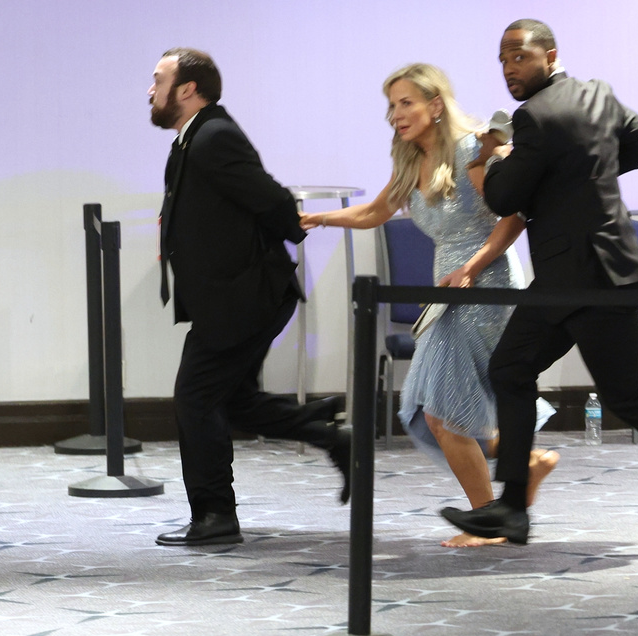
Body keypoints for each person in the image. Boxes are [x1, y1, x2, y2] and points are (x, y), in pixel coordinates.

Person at [441, 20, 638, 551]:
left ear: (550, 55)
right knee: (511, 368)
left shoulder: (533, 118)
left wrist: (490, 155)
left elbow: (500, 197)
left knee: (627, 395)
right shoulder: (597, 95)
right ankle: (513, 508)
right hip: (576, 275)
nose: (509, 69)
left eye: (519, 56)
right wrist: (584, 178)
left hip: (594, 278)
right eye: (502, 59)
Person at [301, 63, 558, 547]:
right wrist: (322, 218)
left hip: (483, 286)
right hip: (448, 292)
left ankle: (489, 518)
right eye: (391, 105)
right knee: (435, 407)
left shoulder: (470, 151)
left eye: (406, 103)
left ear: (435, 105)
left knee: (439, 410)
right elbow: (376, 211)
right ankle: (524, 466)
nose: (395, 114)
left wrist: (473, 268)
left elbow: (513, 217)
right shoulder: (410, 160)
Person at [148, 48, 351, 547]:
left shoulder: (214, 135)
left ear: (188, 89)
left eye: (158, 80)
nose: (150, 90)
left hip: (243, 296)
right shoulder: (193, 138)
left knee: (195, 399)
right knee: (231, 401)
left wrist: (291, 228)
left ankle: (216, 516)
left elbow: (271, 198)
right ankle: (328, 434)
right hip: (233, 296)